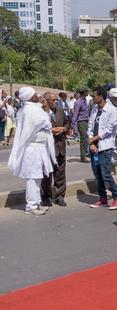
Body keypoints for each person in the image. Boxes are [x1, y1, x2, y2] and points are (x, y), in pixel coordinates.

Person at [7, 87, 56, 215]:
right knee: (33, 178)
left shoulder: (28, 109)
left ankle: (36, 202)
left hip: (38, 148)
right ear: (30, 97)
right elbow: (47, 123)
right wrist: (45, 109)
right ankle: (31, 206)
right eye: (35, 95)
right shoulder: (31, 110)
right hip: (33, 148)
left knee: (38, 177)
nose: (37, 96)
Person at [87, 86, 117, 210]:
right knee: (97, 174)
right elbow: (90, 126)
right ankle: (102, 198)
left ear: (100, 97)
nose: (92, 98)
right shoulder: (94, 109)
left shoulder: (111, 110)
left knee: (106, 173)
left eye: (94, 96)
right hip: (94, 146)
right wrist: (91, 142)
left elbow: (109, 129)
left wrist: (95, 138)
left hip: (105, 146)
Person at [40, 92, 70, 207]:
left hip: (60, 146)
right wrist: (51, 131)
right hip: (47, 147)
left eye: (56, 100)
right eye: (53, 100)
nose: (55, 102)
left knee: (60, 173)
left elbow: (67, 122)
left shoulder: (60, 110)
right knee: (47, 174)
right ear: (46, 101)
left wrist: (63, 129)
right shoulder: (41, 112)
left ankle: (59, 196)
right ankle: (46, 196)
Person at [72, 86, 91, 163]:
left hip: (86, 121)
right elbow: (75, 116)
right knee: (83, 140)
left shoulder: (85, 101)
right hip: (81, 122)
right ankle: (83, 157)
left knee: (87, 139)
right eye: (87, 91)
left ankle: (86, 154)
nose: (88, 92)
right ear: (84, 92)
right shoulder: (78, 102)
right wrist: (75, 129)